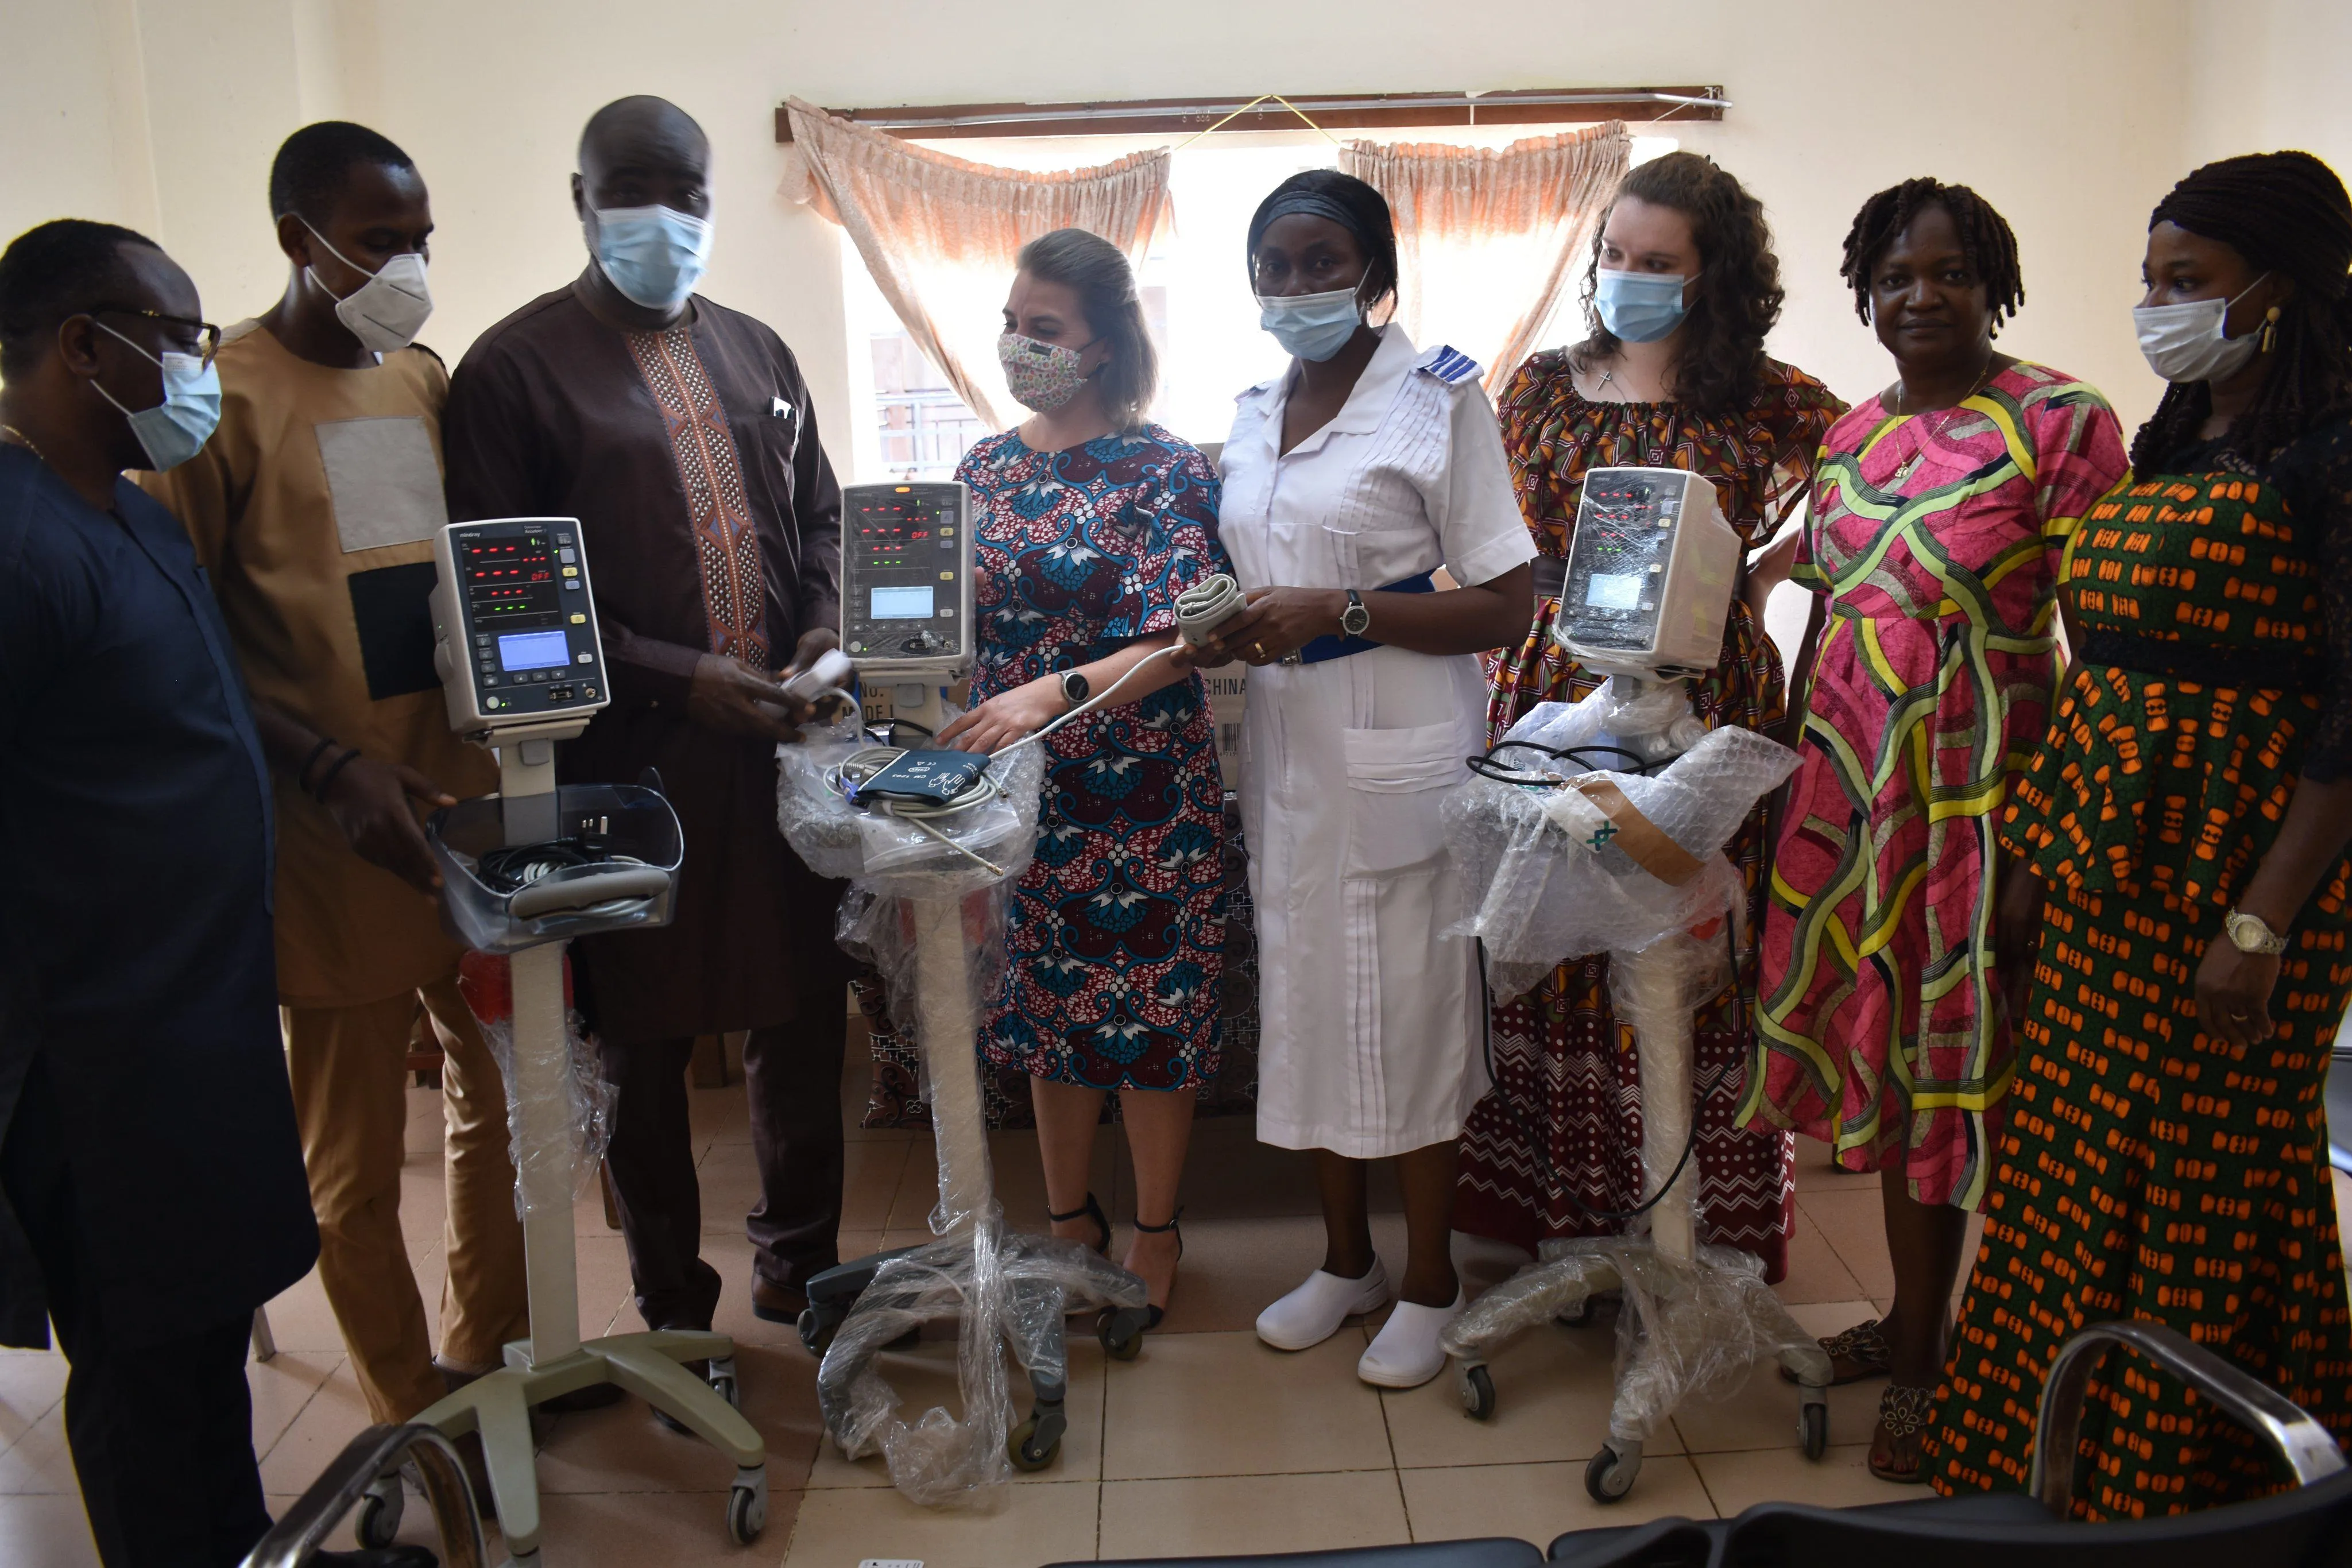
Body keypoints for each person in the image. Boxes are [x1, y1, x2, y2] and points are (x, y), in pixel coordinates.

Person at [1929, 150, 2352, 1513]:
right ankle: (2039, 1455)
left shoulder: (2334, 455)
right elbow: (2107, 666)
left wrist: (2257, 925)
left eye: (2188, 282)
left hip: (2239, 865)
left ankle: (2191, 1484)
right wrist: (2037, 864)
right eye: (2148, 279)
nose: (2156, 304)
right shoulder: (2182, 436)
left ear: (2275, 294)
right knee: (2067, 1154)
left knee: (2201, 1166)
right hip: (2106, 851)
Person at [0, 220, 424, 1568]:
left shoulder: (122, 510)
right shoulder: (16, 547)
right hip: (95, 1047)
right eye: (178, 340)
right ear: (83, 346)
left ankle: (241, 1548)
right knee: (137, 1364)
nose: (197, 366)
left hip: (198, 1008)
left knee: (198, 1339)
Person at [138, 119, 544, 1428]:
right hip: (330, 841)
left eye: (422, 240)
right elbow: (179, 638)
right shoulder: (222, 405)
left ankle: (488, 1354)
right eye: (379, 242)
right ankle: (407, 1407)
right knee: (355, 1162)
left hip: (465, 815)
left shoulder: (421, 381)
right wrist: (323, 766)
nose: (409, 263)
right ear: (296, 241)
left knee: (508, 1100)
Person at [1737, 179, 2127, 1482]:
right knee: (1890, 1077)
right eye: (1896, 276)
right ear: (1864, 291)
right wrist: (1793, 802)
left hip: (1976, 808)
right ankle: (1913, 1319)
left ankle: (1933, 1369)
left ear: (1991, 284)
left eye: (1950, 272)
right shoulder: (1847, 441)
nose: (1921, 296)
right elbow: (1827, 619)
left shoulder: (2059, 423)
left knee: (1960, 1086)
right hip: (1849, 807)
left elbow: (2100, 654)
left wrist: (2035, 842)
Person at [442, 96, 850, 1338]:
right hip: (627, 764)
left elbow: (821, 515)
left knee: (799, 1019)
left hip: (779, 752)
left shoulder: (761, 352)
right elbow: (498, 600)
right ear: (581, 201)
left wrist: (825, 627)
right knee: (644, 1045)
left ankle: (801, 1267)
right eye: (633, 189)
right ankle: (673, 1306)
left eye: (688, 194)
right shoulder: (510, 372)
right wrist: (683, 678)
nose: (664, 219)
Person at [1454, 152, 1844, 1281]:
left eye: (1656, 262)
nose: (1625, 277)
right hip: (1554, 691)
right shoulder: (1536, 387)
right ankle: (1569, 1232)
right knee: (1562, 954)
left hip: (1709, 700)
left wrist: (1768, 575)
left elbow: (1875, 479)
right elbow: (1494, 542)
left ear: (1711, 274)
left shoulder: (1764, 395)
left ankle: (1692, 1239)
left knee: (1691, 957)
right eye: (1613, 256)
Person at [1190, 171, 1534, 1389]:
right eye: (1271, 265)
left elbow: (1504, 599)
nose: (1294, 285)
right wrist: (1233, 625)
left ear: (1373, 275)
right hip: (1287, 752)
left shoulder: (1436, 401)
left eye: (1319, 261)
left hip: (1400, 745)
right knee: (1310, 1012)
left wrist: (1336, 607)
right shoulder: (1245, 412)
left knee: (1412, 1013)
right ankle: (1347, 1264)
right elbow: (1249, 571)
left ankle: (1431, 1282)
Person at [935, 229, 1231, 1325]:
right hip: (1021, 799)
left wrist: (1049, 693)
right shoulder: (983, 469)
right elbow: (954, 633)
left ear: (1103, 346)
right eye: (1012, 323)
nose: (1019, 345)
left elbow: (1181, 642)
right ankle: (1068, 1226)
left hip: (1148, 790)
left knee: (1151, 1020)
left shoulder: (1165, 467)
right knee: (1045, 1015)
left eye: (1044, 329)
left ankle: (1156, 1232)